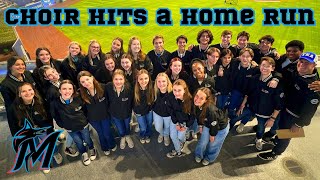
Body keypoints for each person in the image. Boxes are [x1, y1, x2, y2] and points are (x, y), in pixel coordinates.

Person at [258, 52, 320, 160]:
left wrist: (299, 125)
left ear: (314, 65)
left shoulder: (314, 87)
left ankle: (276, 153)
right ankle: (277, 139)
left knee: (287, 136)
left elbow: (310, 111)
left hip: (294, 117)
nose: (302, 64)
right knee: (281, 130)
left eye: (307, 63)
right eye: (301, 61)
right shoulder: (298, 72)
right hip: (285, 109)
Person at [7, 83, 62, 173]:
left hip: (43, 129)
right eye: (23, 91)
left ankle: (55, 153)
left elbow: (49, 118)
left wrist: (50, 130)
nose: (28, 93)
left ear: (34, 91)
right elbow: (12, 125)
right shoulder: (13, 108)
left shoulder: (41, 102)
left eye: (30, 90)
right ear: (19, 94)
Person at [238, 57, 283, 150]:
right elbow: (248, 93)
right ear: (259, 66)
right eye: (263, 65)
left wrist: (272, 118)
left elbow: (278, 104)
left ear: (273, 68)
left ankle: (259, 139)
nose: (264, 68)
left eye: (268, 66)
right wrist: (243, 104)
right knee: (238, 116)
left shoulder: (275, 84)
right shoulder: (254, 78)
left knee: (261, 129)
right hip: (253, 109)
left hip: (265, 114)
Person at [51, 80, 97, 166]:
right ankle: (83, 153)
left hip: (83, 125)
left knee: (87, 139)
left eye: (70, 89)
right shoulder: (55, 103)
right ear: (60, 90)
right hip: (70, 128)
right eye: (64, 89)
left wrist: (85, 120)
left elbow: (85, 110)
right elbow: (55, 116)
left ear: (73, 90)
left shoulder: (78, 99)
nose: (67, 91)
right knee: (78, 141)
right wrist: (63, 125)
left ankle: (91, 148)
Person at [39, 65, 79, 157]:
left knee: (69, 131)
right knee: (72, 131)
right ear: (46, 78)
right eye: (49, 75)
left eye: (53, 71)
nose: (53, 75)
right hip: (64, 116)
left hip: (69, 112)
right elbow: (55, 109)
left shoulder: (61, 80)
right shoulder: (51, 91)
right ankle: (68, 148)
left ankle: (59, 139)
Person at [78, 71, 117, 155]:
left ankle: (112, 144)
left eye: (87, 79)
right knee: (100, 133)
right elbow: (83, 109)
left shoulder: (103, 87)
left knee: (107, 133)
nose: (86, 83)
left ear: (92, 78)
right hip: (93, 119)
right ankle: (104, 147)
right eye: (82, 82)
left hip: (105, 116)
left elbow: (110, 101)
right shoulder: (81, 93)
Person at [194, 87, 229, 166]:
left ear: (206, 100)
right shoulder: (196, 105)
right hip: (208, 123)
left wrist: (212, 135)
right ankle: (198, 154)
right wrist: (200, 125)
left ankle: (209, 158)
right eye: (197, 96)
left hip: (220, 128)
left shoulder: (210, 110)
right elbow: (198, 116)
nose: (197, 99)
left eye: (201, 98)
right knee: (203, 141)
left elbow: (214, 123)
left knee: (213, 144)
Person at [105, 69, 134, 149]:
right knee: (120, 129)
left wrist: (131, 113)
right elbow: (106, 100)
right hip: (115, 114)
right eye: (116, 79)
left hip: (126, 114)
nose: (118, 82)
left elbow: (131, 102)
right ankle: (123, 137)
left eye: (121, 79)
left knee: (127, 127)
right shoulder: (108, 87)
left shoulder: (128, 88)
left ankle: (127, 136)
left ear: (124, 79)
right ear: (112, 79)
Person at [166, 79, 195, 158]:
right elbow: (170, 110)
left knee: (180, 137)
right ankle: (178, 150)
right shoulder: (170, 96)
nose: (177, 93)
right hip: (175, 120)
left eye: (179, 90)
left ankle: (182, 140)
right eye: (174, 90)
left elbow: (193, 115)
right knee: (173, 136)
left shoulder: (190, 100)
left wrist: (186, 125)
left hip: (184, 122)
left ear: (184, 90)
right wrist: (176, 122)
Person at [133, 69, 154, 144]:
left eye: (146, 78)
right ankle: (142, 135)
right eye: (141, 79)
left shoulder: (152, 87)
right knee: (143, 127)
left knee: (149, 123)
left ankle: (148, 135)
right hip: (139, 112)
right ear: (137, 80)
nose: (143, 81)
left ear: (149, 78)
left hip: (149, 110)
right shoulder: (134, 88)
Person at [153, 73, 173, 146]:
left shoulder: (172, 93)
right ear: (156, 83)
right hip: (157, 113)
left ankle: (166, 135)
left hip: (168, 115)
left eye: (163, 81)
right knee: (158, 128)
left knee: (167, 127)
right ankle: (161, 133)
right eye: (159, 81)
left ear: (167, 82)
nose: (161, 84)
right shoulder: (155, 91)